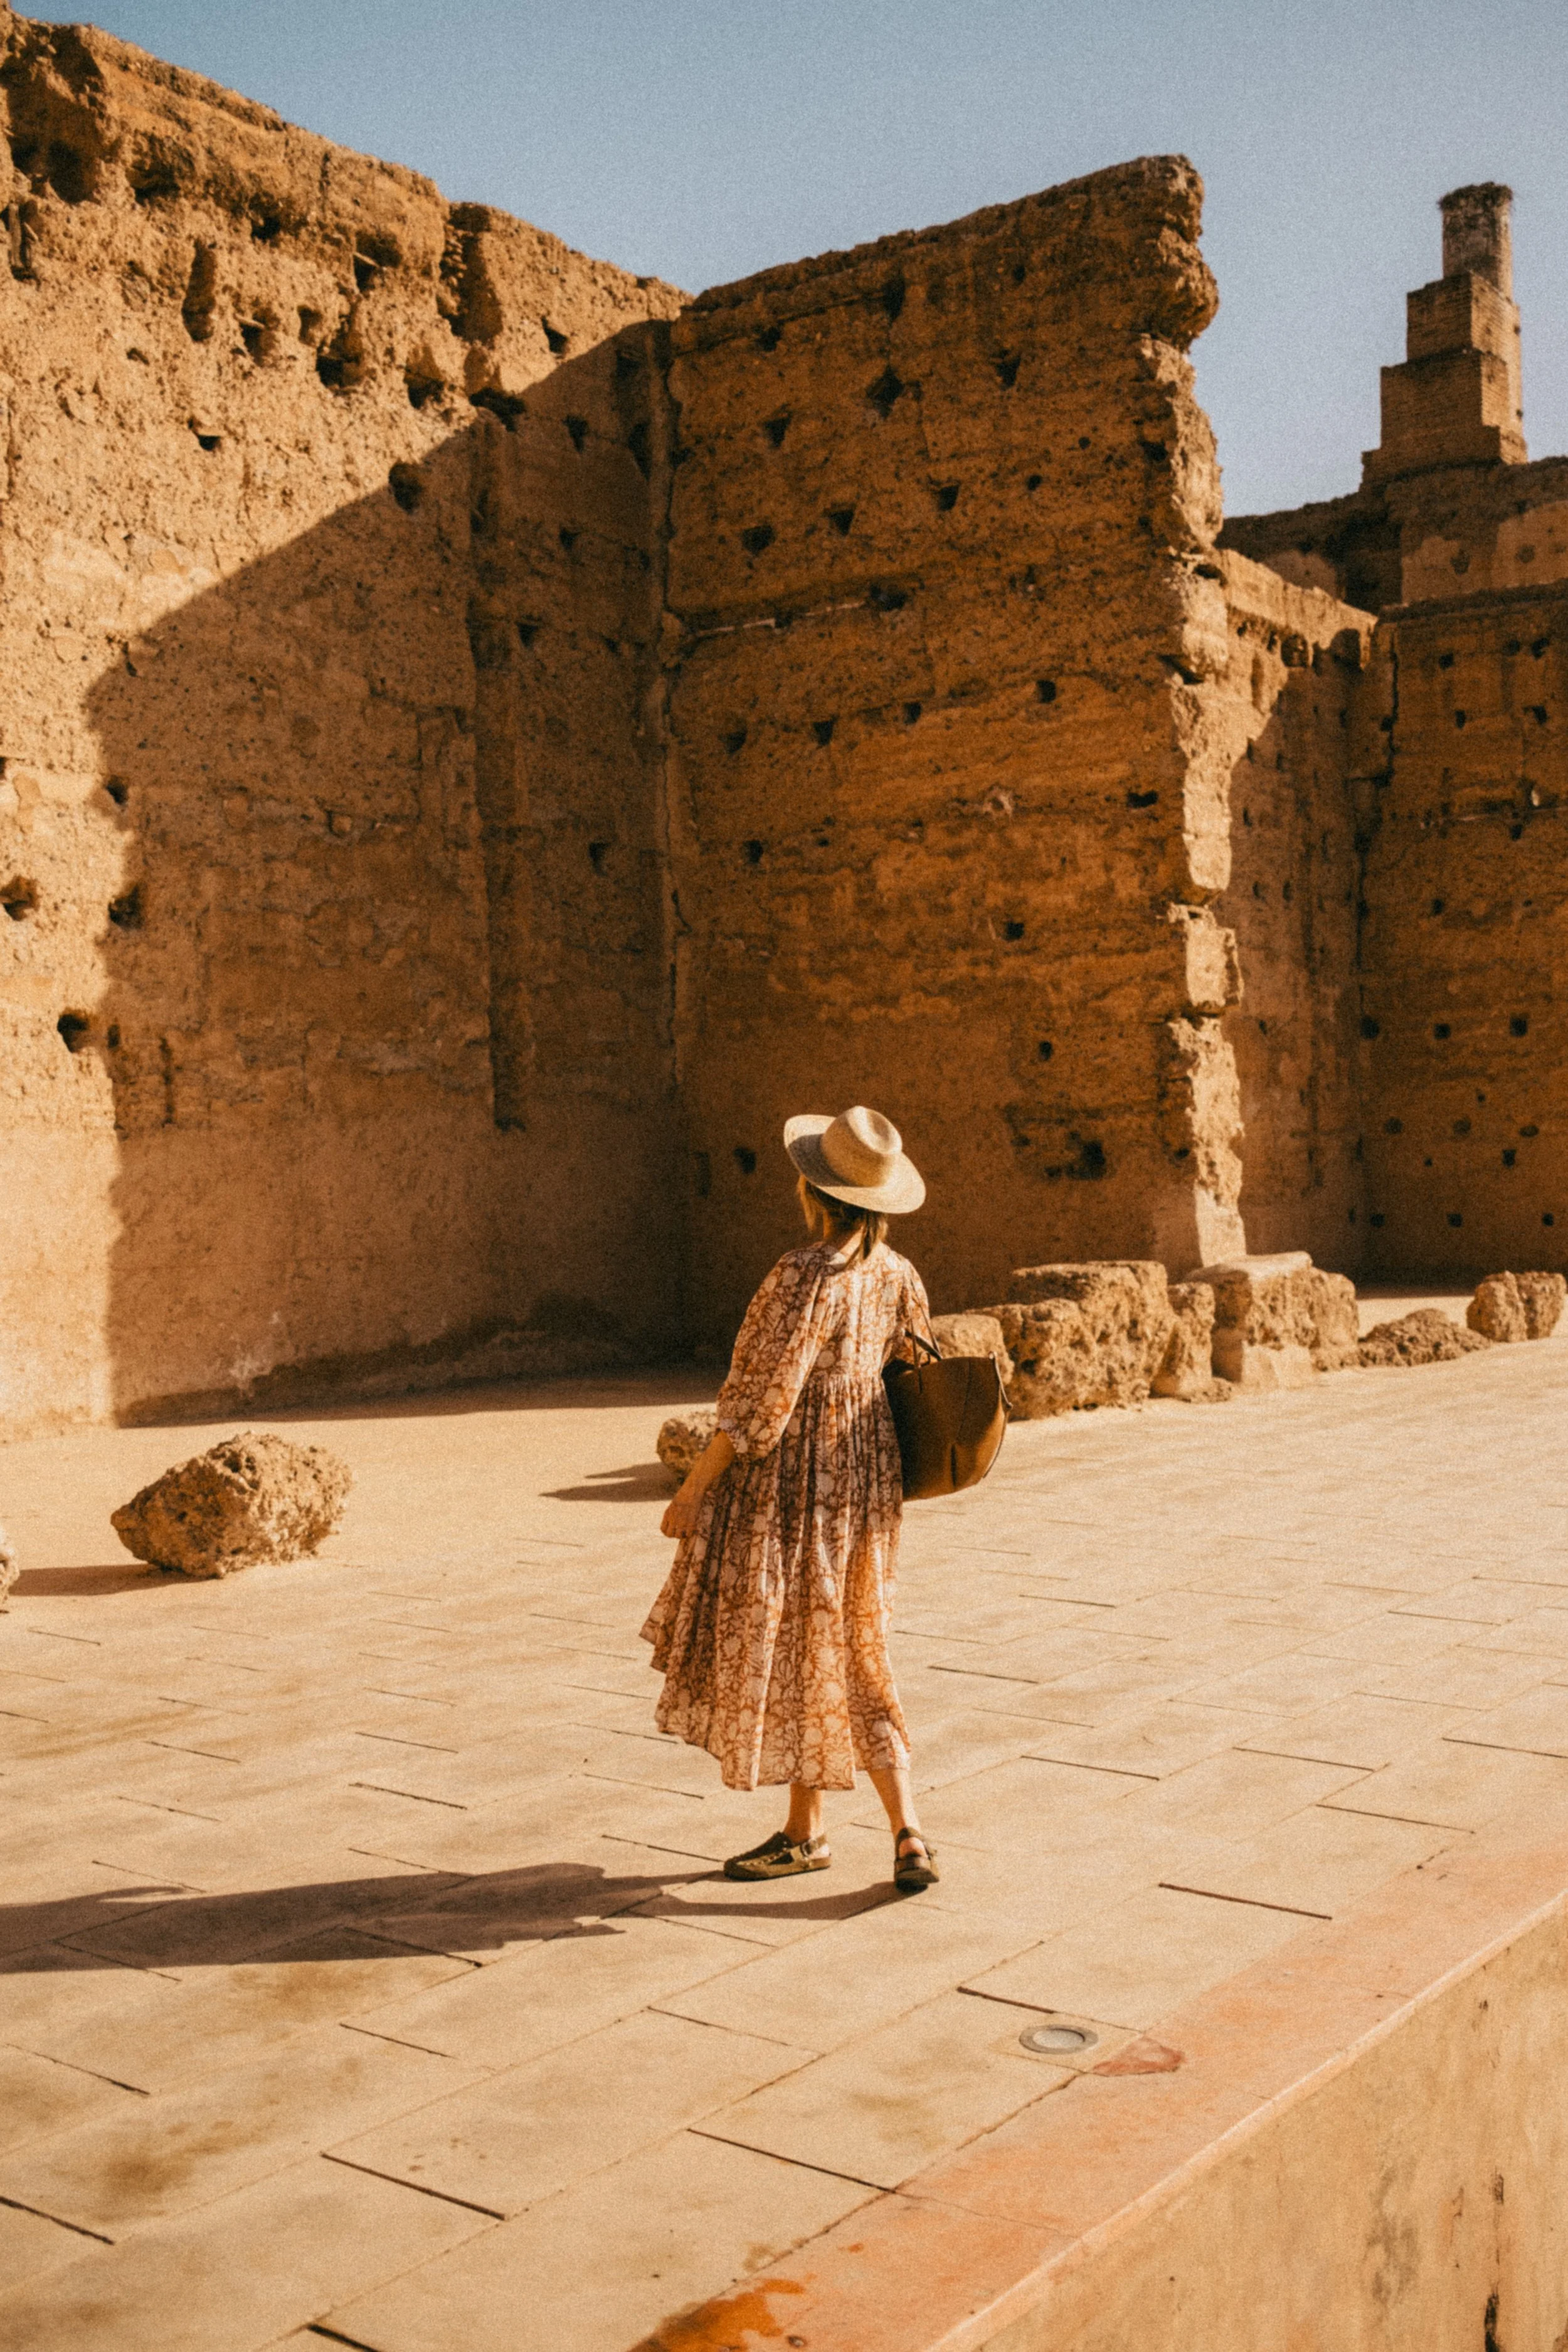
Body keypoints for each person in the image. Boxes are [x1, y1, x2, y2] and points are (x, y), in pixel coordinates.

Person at [642, 1104, 940, 1894]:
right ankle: (862, 1831)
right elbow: (914, 1364)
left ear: (815, 1191)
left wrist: (694, 1492)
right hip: (867, 1487)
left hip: (796, 1489)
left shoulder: (801, 1275)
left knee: (815, 1646)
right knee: (848, 1648)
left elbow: (759, 1405)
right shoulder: (897, 1274)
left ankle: (872, 1830)